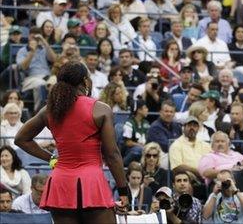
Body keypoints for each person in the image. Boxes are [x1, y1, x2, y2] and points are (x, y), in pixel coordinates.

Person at [14, 61, 128, 223]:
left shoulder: (49, 110)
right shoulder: (100, 109)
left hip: (61, 183)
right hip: (91, 182)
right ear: (85, 81)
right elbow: (112, 154)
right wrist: (123, 189)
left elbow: (21, 139)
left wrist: (51, 158)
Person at [121, 98, 149, 166]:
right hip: (130, 151)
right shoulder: (129, 123)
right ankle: (122, 164)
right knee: (138, 150)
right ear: (139, 110)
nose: (147, 110)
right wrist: (141, 146)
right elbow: (127, 142)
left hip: (144, 149)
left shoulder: (146, 123)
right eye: (145, 108)